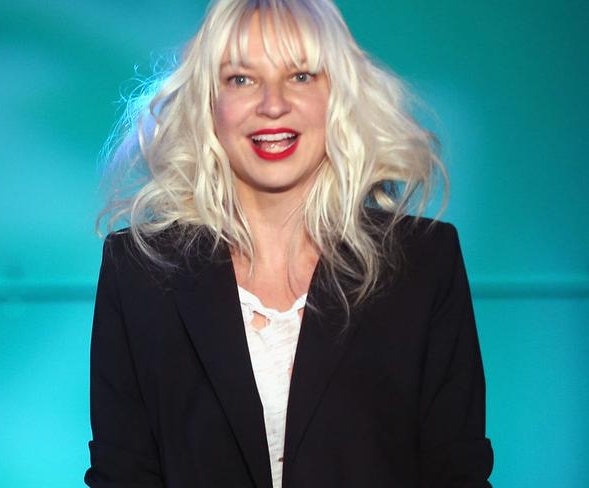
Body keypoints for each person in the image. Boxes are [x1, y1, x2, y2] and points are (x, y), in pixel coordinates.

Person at [84, 0, 494, 486]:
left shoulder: (424, 262)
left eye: (300, 76)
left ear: (337, 94)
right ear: (208, 103)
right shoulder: (139, 273)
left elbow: (457, 473)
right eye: (241, 79)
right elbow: (122, 475)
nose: (272, 104)